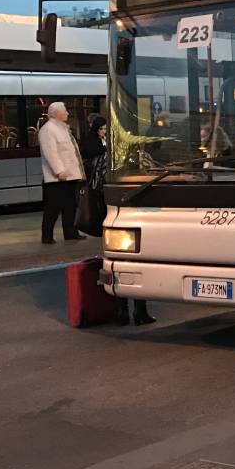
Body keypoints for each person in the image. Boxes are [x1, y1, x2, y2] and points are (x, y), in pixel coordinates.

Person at [80, 117, 156, 326]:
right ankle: (140, 312)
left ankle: (120, 311)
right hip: (135, 214)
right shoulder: (139, 158)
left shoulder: (104, 158)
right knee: (138, 262)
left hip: (112, 215)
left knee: (116, 261)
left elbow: (95, 186)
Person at [39, 101, 86, 244]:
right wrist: (59, 171)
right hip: (57, 179)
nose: (67, 113)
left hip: (70, 176)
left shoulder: (63, 129)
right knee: (52, 208)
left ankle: (70, 232)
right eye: (65, 111)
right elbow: (50, 153)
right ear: (57, 113)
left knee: (70, 206)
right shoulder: (48, 129)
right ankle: (47, 236)